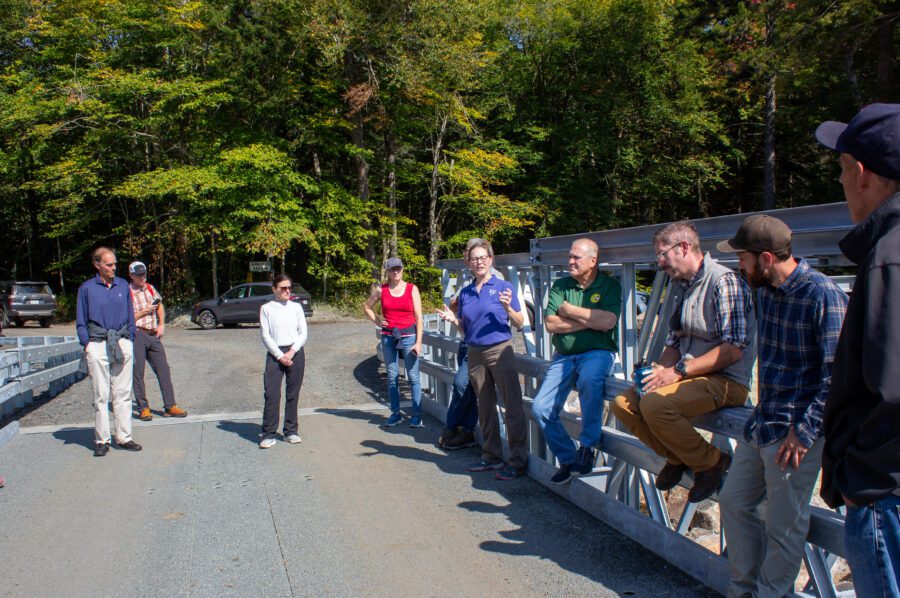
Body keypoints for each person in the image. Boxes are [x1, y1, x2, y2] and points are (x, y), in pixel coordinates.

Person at [716, 215, 847, 598]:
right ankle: (742, 590)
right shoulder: (766, 290)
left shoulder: (822, 295)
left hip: (795, 434)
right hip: (763, 424)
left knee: (783, 525)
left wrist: (804, 434)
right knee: (733, 501)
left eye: (743, 257)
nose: (739, 265)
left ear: (767, 258)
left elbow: (835, 375)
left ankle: (771, 594)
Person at [816, 103, 900, 595]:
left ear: (863, 174)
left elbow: (891, 391)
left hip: (886, 495)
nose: (842, 184)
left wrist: (855, 475)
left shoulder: (889, 256)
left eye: (843, 171)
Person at [610, 221, 756, 503]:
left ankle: (711, 461)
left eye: (662, 254)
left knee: (655, 404)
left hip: (726, 380)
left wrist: (677, 372)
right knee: (624, 404)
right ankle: (677, 457)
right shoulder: (681, 285)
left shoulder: (724, 281)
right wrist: (659, 372)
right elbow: (673, 343)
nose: (659, 262)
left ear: (685, 247)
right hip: (691, 377)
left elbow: (733, 349)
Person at [436, 238, 528, 481]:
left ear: (490, 260)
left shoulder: (503, 286)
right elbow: (465, 331)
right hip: (474, 352)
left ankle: (517, 462)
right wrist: (453, 321)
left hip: (500, 350)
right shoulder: (465, 293)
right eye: (474, 258)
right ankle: (491, 457)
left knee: (512, 407)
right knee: (485, 408)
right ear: (468, 262)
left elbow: (520, 322)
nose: (479, 262)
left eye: (483, 258)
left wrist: (508, 308)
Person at [531, 238, 621, 484]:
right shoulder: (561, 286)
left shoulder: (609, 285)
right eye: (569, 256)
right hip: (564, 356)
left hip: (597, 352)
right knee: (540, 407)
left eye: (576, 258)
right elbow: (550, 324)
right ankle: (568, 457)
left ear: (593, 261)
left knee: (590, 381)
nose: (570, 261)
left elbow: (608, 323)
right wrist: (590, 321)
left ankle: (587, 446)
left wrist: (569, 311)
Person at [76, 247, 141, 456]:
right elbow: (81, 320)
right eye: (109, 264)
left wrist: (130, 337)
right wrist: (87, 344)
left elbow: (131, 314)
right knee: (101, 395)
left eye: (114, 264)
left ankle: (124, 436)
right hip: (97, 343)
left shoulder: (122, 285)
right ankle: (102, 439)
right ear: (97, 265)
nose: (113, 268)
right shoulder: (86, 289)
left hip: (121, 340)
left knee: (122, 393)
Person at [439, 262, 505, 451]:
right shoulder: (468, 280)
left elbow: (492, 309)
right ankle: (466, 432)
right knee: (469, 388)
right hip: (464, 341)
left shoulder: (496, 278)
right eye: (469, 258)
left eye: (477, 256)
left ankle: (451, 427)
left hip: (481, 345)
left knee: (462, 384)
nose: (474, 262)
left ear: (489, 257)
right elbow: (454, 305)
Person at [363, 257, 424, 428]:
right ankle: (395, 413)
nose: (396, 272)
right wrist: (377, 319)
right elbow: (367, 306)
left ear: (403, 269)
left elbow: (419, 318)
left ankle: (416, 416)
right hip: (389, 336)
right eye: (392, 269)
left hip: (409, 336)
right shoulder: (381, 290)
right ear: (388, 272)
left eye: (398, 269)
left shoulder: (412, 289)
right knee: (392, 376)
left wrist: (418, 342)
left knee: (413, 377)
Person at [128, 261, 187, 421]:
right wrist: (143, 312)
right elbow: (126, 319)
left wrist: (161, 324)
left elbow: (159, 305)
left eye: (144, 273)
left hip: (153, 335)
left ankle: (170, 406)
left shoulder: (149, 288)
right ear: (131, 275)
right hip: (137, 334)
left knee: (163, 369)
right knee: (138, 372)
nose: (142, 277)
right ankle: (143, 408)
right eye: (139, 274)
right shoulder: (127, 293)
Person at [259, 274, 308, 449]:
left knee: (292, 394)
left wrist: (292, 351)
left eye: (289, 287)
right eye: (283, 288)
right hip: (275, 354)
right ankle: (268, 433)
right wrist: (280, 355)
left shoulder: (296, 307)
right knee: (271, 394)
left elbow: (303, 332)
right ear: (274, 289)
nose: (287, 291)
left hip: (295, 352)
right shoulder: (266, 308)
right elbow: (265, 335)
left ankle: (291, 431)